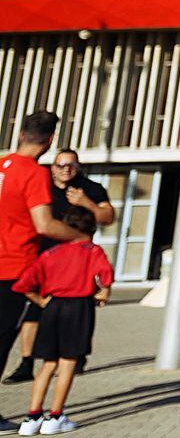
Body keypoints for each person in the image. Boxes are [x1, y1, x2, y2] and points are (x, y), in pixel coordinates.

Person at [6, 155, 113, 385]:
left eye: (70, 165)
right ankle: (26, 362)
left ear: (78, 167)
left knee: (77, 310)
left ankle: (75, 355)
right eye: (60, 165)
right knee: (33, 312)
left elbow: (108, 216)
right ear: (52, 168)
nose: (65, 169)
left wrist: (87, 204)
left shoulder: (90, 189)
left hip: (77, 263)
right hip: (43, 257)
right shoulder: (41, 185)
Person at [11, 205, 112, 435]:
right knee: (68, 363)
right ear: (92, 229)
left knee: (47, 364)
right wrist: (103, 292)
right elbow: (105, 275)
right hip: (78, 307)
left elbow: (24, 283)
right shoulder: (92, 251)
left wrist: (41, 300)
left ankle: (32, 416)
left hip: (52, 306)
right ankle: (56, 416)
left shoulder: (51, 253)